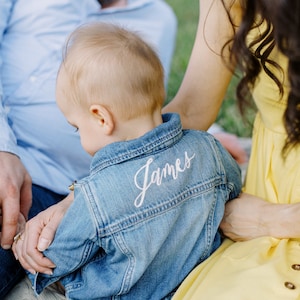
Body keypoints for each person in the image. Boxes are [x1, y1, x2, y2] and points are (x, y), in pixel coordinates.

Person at [13, 22, 241, 299]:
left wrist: (22, 240)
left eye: (76, 127)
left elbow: (55, 260)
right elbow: (233, 187)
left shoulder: (96, 197)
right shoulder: (208, 149)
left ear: (101, 118)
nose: (78, 134)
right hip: (198, 285)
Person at [0, 0, 177, 297]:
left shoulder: (157, 19)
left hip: (67, 188)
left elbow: (141, 104)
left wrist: (184, 128)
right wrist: (3, 148)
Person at [168, 0, 300, 298]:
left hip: (262, 218)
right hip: (266, 195)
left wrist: (273, 219)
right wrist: (93, 193)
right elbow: (192, 107)